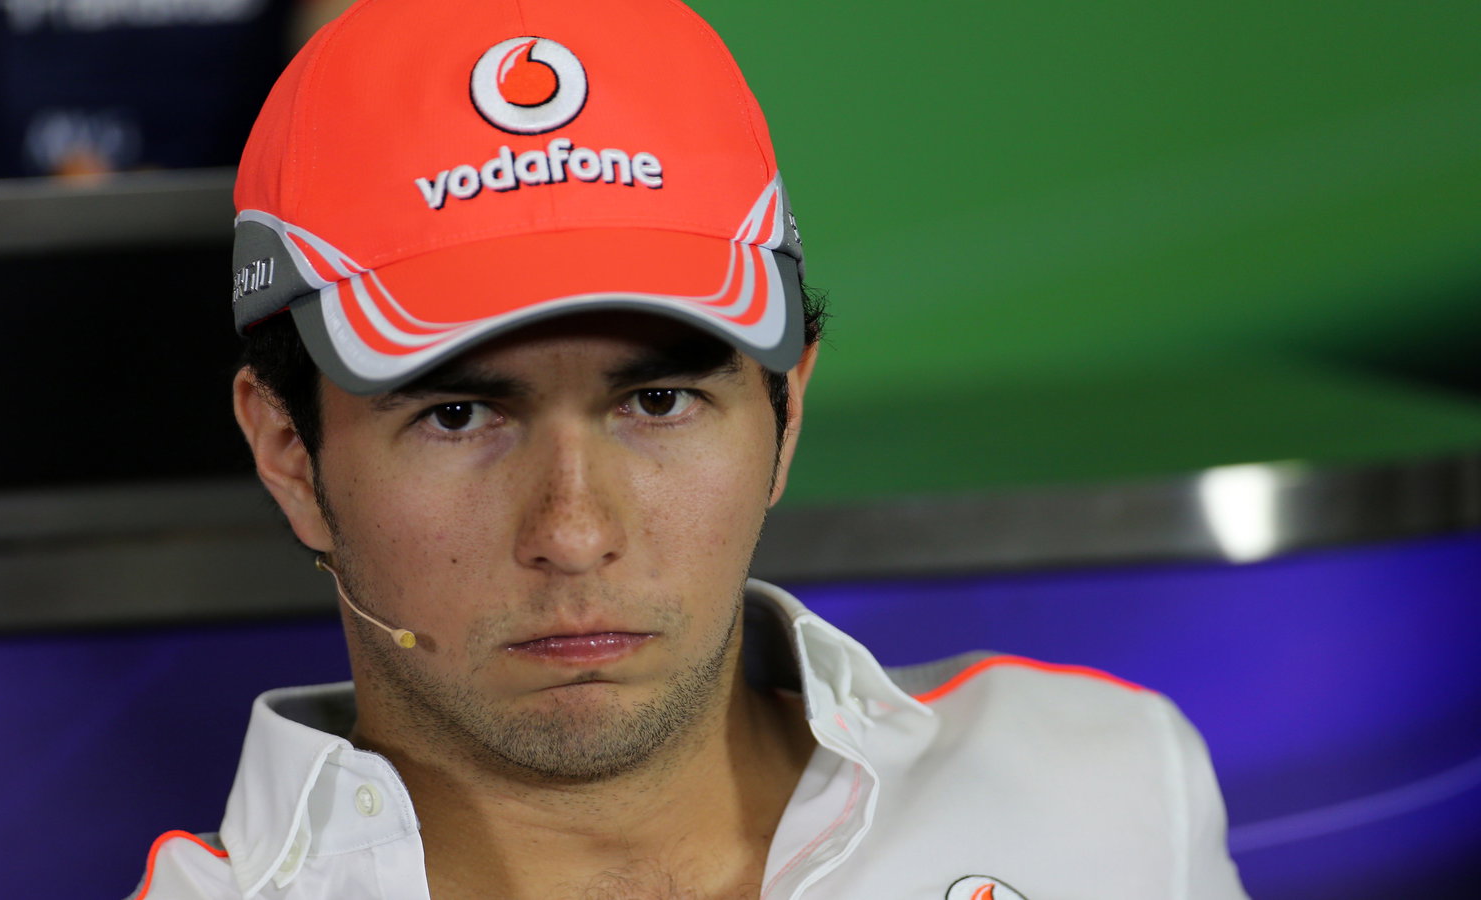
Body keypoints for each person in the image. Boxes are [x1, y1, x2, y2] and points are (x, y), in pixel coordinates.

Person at [131, 0, 1249, 896]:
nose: (574, 534)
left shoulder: (1104, 789)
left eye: (657, 402)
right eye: (460, 416)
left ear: (787, 415)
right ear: (289, 454)